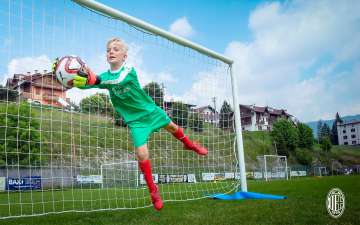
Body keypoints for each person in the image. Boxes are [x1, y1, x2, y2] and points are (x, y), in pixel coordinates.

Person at [54, 38, 208, 211]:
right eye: (108, 50)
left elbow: (115, 80)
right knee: (142, 154)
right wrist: (69, 77)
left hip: (150, 111)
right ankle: (153, 191)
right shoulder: (104, 77)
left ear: (124, 56)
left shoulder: (128, 71)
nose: (111, 52)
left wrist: (95, 79)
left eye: (116, 49)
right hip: (136, 122)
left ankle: (190, 145)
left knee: (172, 127)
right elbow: (88, 84)